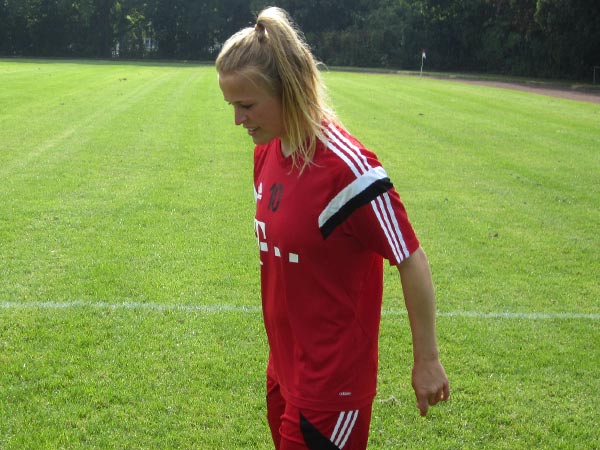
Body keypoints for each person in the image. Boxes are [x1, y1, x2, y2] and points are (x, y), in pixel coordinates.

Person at [216, 7, 449, 450]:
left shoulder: (349, 171)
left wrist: (427, 359)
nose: (238, 120)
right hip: (284, 369)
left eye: (246, 105)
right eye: (232, 106)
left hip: (331, 389)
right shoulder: (267, 152)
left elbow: (410, 257)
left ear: (288, 90)